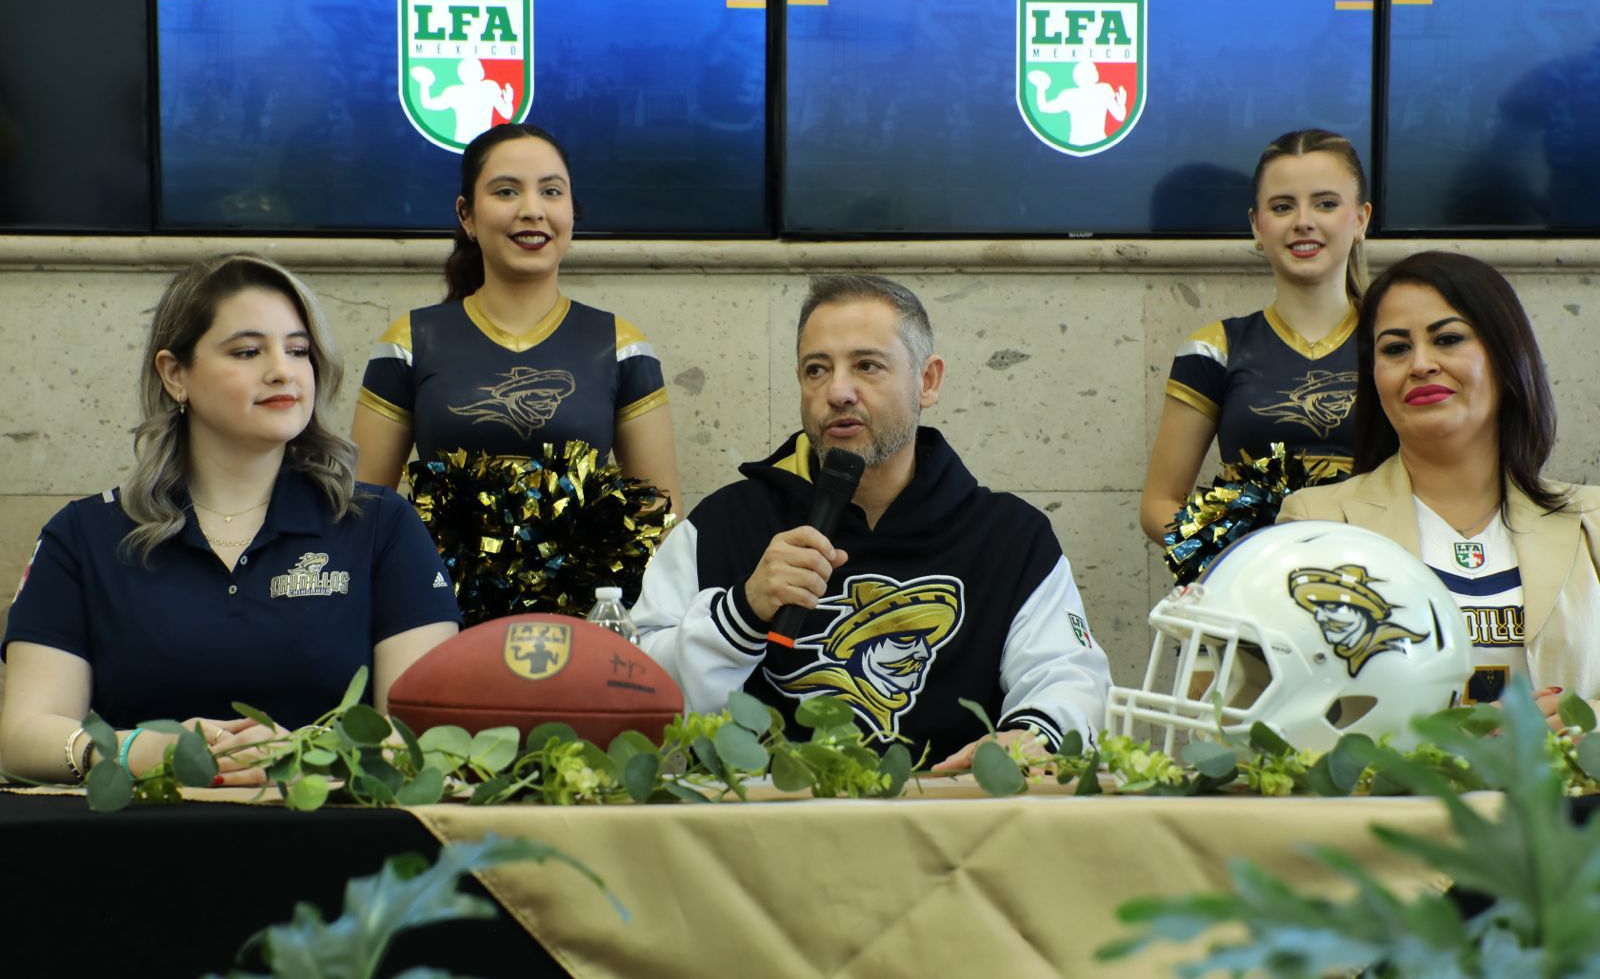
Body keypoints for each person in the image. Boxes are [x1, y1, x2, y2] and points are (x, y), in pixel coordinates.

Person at [0, 254, 461, 785]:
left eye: (298, 350)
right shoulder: (83, 535)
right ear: (175, 374)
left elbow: (425, 739)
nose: (282, 370)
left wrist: (305, 754)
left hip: (327, 829)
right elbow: (24, 736)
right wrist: (133, 751)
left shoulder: (382, 525)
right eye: (247, 351)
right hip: (137, 829)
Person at [630, 274, 1110, 768]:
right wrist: (741, 613)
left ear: (927, 381)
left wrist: (1032, 736)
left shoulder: (1010, 538)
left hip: (953, 811)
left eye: (867, 365)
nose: (838, 391)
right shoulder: (722, 527)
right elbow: (636, 692)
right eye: (817, 370)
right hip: (763, 813)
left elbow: (1068, 676)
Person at [1277, 251, 1600, 729]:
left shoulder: (1592, 520)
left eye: (1448, 339)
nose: (1421, 364)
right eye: (1395, 349)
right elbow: (1281, 710)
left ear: (1505, 356)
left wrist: (1589, 722)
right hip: (1391, 780)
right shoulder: (1316, 523)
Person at [352, 122, 683, 517]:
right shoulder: (409, 342)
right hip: (429, 561)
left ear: (572, 210)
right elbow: (363, 506)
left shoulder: (621, 346)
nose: (532, 210)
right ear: (467, 215)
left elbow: (660, 510)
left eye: (551, 191)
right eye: (506, 191)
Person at [1140, 129, 1373, 543]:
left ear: (1361, 219)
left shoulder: (1397, 345)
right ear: (1256, 226)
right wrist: (1242, 558)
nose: (1303, 221)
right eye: (1282, 206)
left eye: (1325, 203)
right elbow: (1160, 502)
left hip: (1378, 572)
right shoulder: (1213, 351)